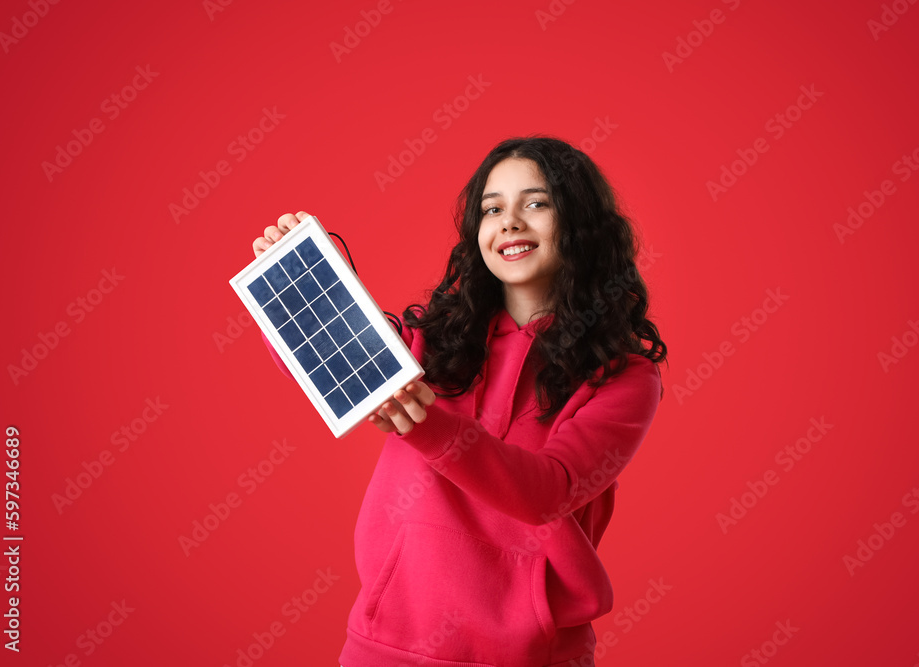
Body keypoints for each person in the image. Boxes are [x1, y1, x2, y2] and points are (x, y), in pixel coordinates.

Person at [251, 136, 668, 666]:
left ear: (582, 224)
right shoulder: (429, 340)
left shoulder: (624, 377)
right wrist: (300, 283)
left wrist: (427, 426)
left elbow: (549, 490)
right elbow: (333, 363)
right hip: (385, 648)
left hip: (532, 658)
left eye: (536, 203)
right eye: (493, 209)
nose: (510, 222)